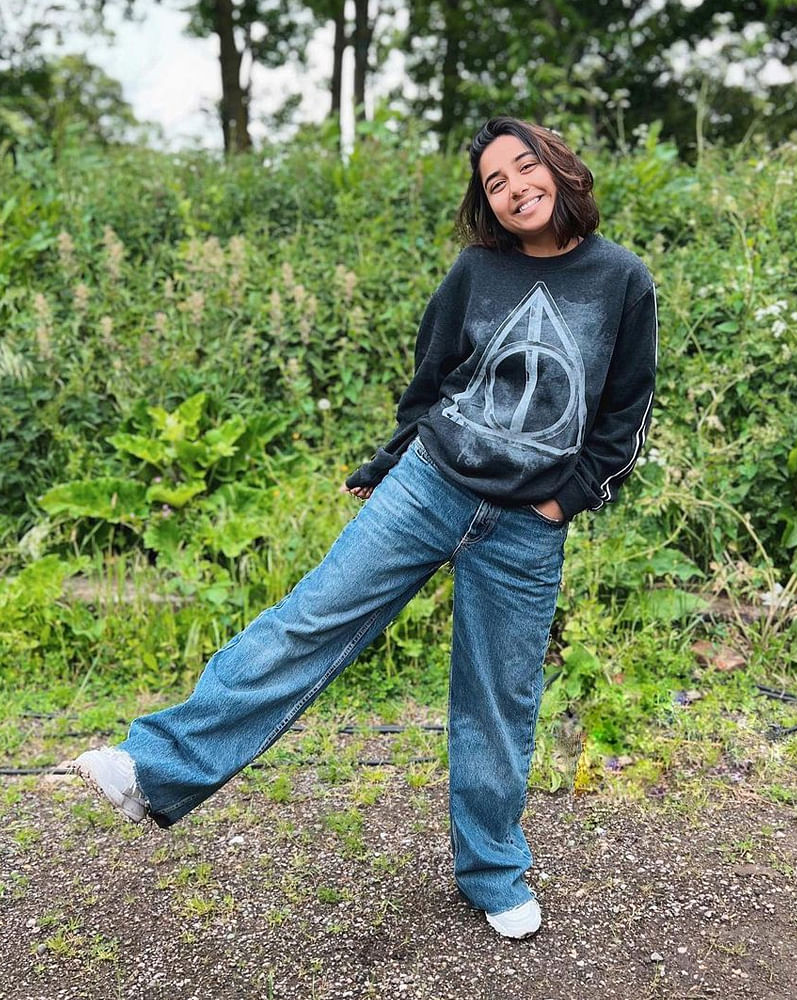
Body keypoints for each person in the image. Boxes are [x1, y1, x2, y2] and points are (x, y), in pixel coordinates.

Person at [72, 116, 658, 940]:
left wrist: (565, 500)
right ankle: (154, 766)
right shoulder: (477, 271)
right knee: (311, 620)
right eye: (495, 182)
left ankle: (492, 872)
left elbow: (623, 420)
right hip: (431, 487)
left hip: (528, 524)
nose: (516, 187)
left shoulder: (621, 279)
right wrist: (392, 461)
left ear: (560, 169)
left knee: (499, 699)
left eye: (525, 168)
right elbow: (432, 378)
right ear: (487, 205)